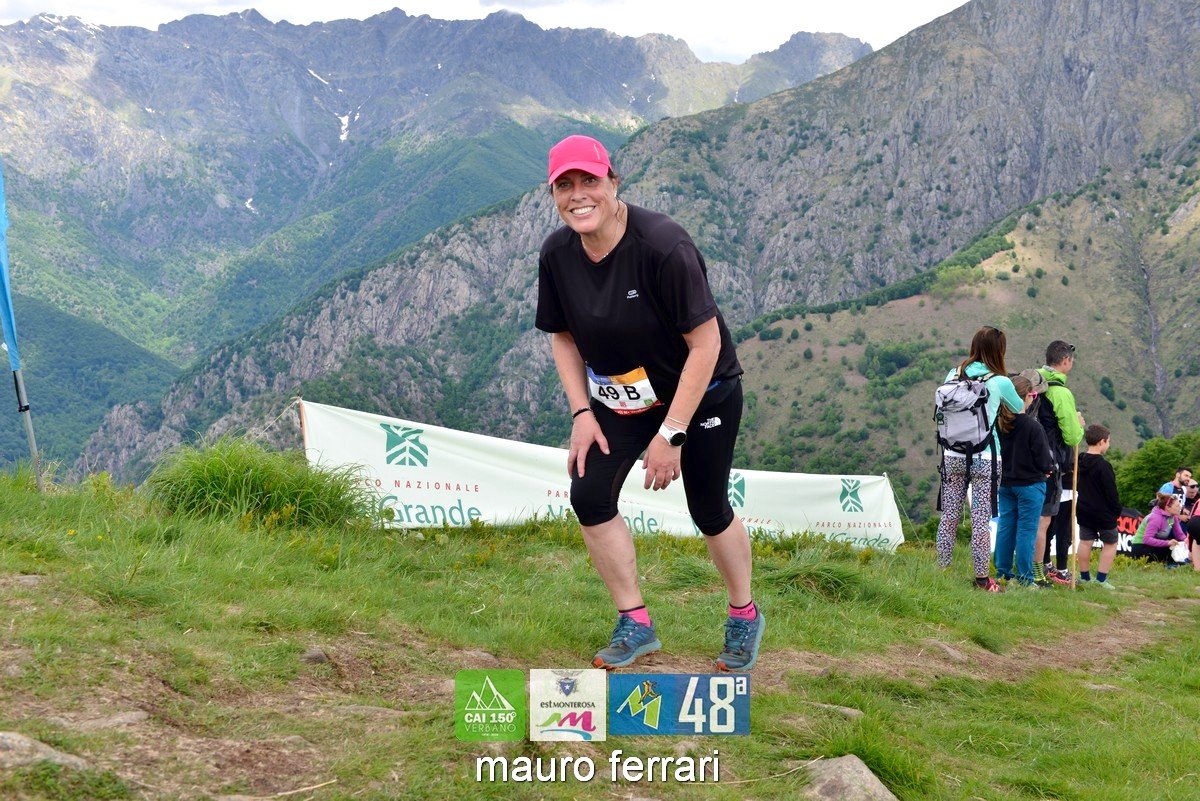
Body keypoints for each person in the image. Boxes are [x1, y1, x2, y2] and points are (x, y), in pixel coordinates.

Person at [535, 134, 762, 671]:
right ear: (553, 194)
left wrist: (671, 433)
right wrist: (581, 413)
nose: (578, 195)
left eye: (589, 181)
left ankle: (744, 614)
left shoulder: (663, 246)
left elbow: (705, 344)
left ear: (613, 182)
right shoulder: (557, 253)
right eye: (564, 185)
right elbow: (562, 335)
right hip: (623, 394)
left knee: (708, 509)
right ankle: (635, 622)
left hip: (701, 392)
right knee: (590, 495)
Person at [935, 326, 1023, 592]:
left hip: (952, 454)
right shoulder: (999, 381)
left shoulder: (954, 374)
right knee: (981, 520)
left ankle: (941, 571)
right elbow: (1019, 407)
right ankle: (983, 579)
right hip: (985, 457)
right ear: (999, 351)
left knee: (949, 515)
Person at [994, 373, 1053, 588]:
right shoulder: (1032, 426)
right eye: (1033, 395)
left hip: (1005, 483)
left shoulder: (998, 423)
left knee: (1006, 526)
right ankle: (1025, 578)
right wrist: (1048, 470)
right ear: (1026, 397)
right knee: (1027, 530)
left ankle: (1003, 572)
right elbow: (1044, 460)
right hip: (1030, 484)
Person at [1034, 341, 1085, 586]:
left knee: (1026, 518)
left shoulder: (1032, 383)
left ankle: (1021, 567)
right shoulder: (1061, 393)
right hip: (1049, 462)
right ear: (1065, 361)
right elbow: (1072, 437)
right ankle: (1037, 571)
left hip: (1023, 459)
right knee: (1044, 520)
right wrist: (1079, 424)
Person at [1076, 425, 1122, 589]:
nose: (1108, 445)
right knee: (1110, 542)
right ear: (1102, 441)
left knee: (1085, 542)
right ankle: (1101, 579)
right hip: (1103, 512)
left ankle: (1084, 577)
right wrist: (1116, 510)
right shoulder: (1103, 465)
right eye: (1108, 441)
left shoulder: (1079, 459)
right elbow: (1111, 491)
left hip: (1083, 508)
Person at [1130, 493, 1188, 564]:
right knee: (1171, 551)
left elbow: (1180, 535)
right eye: (1177, 506)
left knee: (1178, 550)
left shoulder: (1173, 517)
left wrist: (1188, 541)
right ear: (1167, 507)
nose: (1180, 507)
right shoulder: (1156, 518)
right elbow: (1147, 539)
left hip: (1152, 546)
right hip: (1141, 546)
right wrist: (1168, 543)